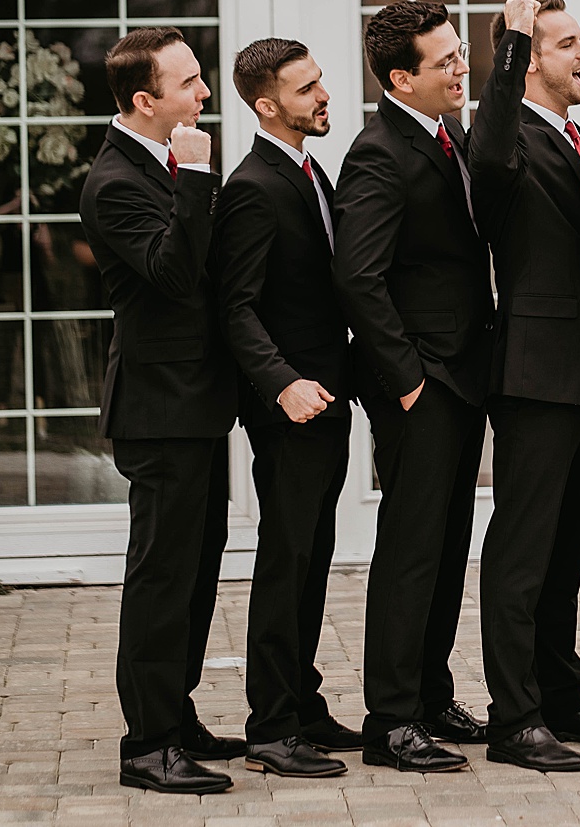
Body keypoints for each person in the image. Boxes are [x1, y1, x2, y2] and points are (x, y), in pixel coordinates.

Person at [79, 27, 242, 794]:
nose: (203, 93)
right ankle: (146, 744)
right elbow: (175, 276)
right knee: (160, 577)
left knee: (197, 571)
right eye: (188, 84)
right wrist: (201, 178)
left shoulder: (165, 163)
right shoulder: (116, 181)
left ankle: (175, 714)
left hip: (200, 403)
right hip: (158, 407)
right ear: (146, 101)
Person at [333, 1, 495, 772]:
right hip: (421, 383)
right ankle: (390, 721)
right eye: (446, 61)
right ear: (402, 76)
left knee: (446, 544)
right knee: (409, 551)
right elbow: (358, 279)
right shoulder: (376, 153)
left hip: (463, 375)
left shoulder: (450, 134)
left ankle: (431, 694)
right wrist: (408, 384)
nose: (462, 68)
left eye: (461, 53)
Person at [468, 0, 580, 773]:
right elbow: (487, 160)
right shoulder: (505, 138)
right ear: (530, 61)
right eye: (567, 43)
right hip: (534, 374)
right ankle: (513, 716)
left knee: (566, 555)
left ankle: (560, 692)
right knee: (523, 552)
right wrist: (513, 43)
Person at [214, 38, 357, 778]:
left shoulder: (308, 171)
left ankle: (302, 703)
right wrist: (281, 383)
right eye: (306, 88)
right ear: (267, 105)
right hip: (290, 407)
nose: (322, 94)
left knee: (313, 558)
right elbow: (234, 307)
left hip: (328, 398)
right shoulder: (252, 186)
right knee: (284, 560)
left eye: (319, 81)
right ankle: (270, 726)